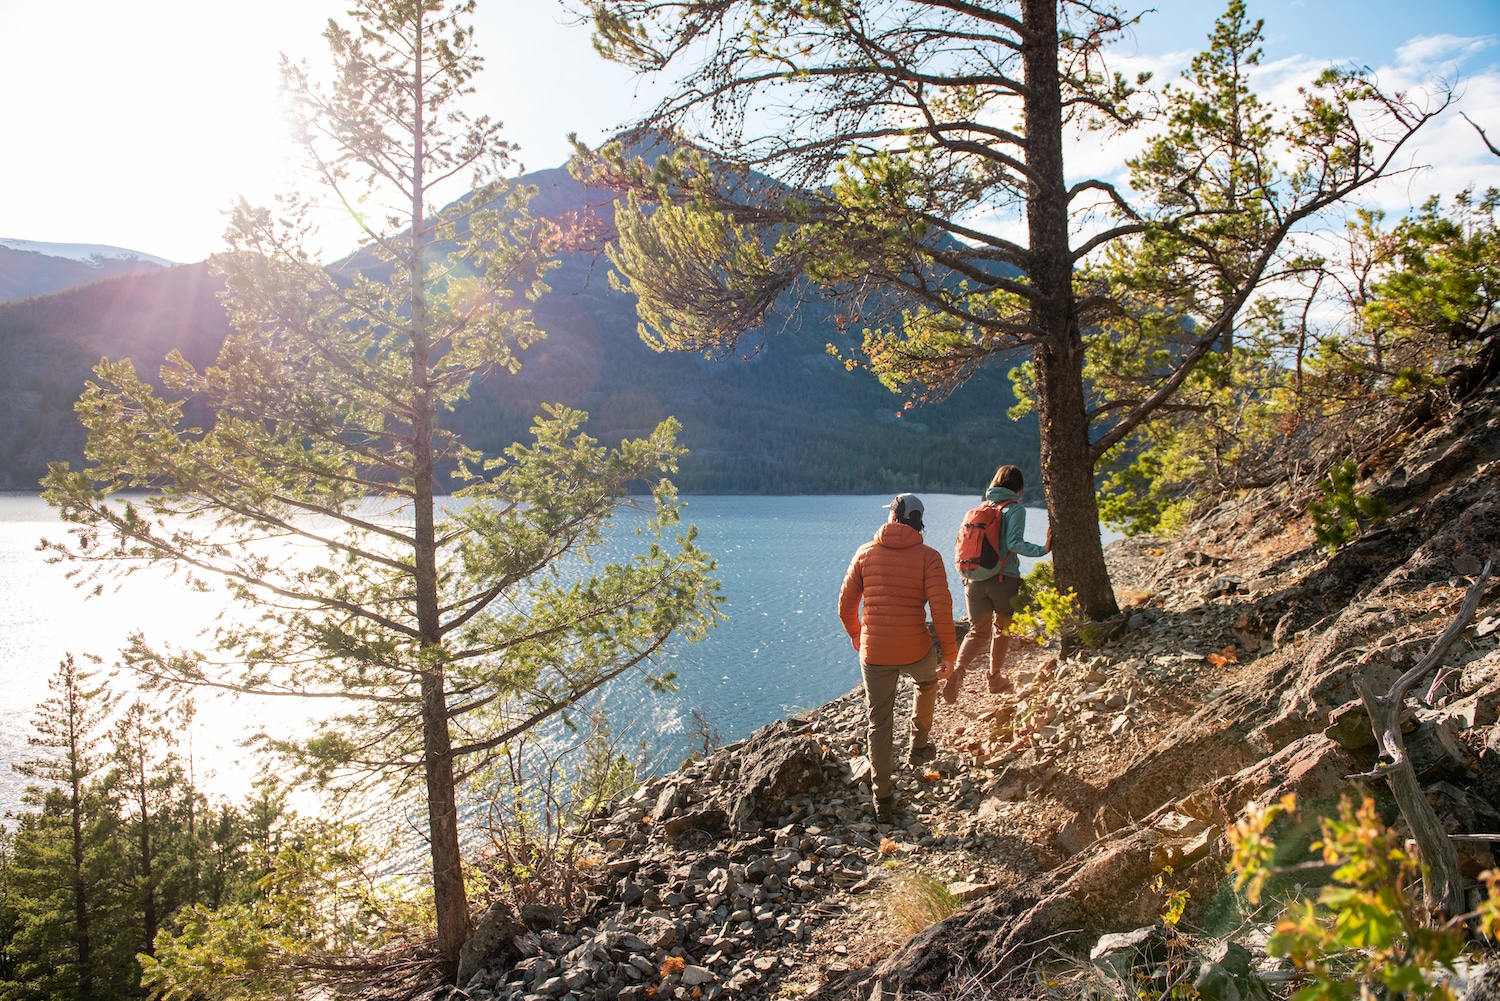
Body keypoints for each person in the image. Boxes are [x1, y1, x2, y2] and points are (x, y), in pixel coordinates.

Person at [838, 493, 958, 823]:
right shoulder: (929, 557)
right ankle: (919, 746)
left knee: (879, 720)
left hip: (874, 652)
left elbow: (846, 607)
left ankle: (883, 798)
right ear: (917, 521)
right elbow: (941, 609)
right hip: (916, 649)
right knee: (927, 681)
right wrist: (949, 653)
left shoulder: (864, 553)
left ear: (892, 518)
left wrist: (857, 635)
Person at [943, 465, 1051, 703]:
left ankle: (959, 671)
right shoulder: (1014, 510)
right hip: (1003, 580)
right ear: (1019, 488)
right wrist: (1042, 549)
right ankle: (994, 679)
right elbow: (1014, 544)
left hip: (973, 581)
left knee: (977, 632)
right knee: (1001, 631)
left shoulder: (981, 509)